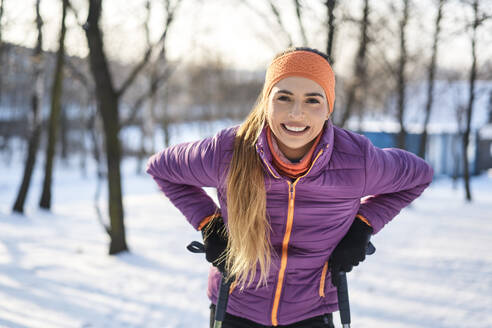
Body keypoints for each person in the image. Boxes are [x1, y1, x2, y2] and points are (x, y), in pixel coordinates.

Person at [146, 47, 434, 328]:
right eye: (284, 98)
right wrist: (209, 224)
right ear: (266, 101)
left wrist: (363, 225)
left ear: (328, 108)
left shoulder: (357, 160)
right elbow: (161, 168)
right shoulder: (227, 153)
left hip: (311, 310)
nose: (297, 113)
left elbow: (419, 176)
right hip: (235, 306)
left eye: (313, 100)